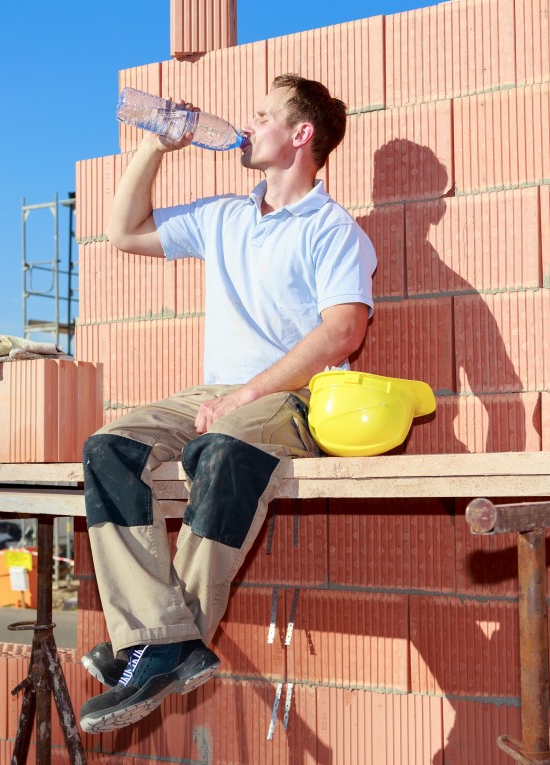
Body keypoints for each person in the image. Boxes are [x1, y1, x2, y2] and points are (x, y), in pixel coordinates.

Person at [78, 74, 377, 734]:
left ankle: (158, 642)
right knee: (108, 449)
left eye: (263, 115)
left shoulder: (333, 231)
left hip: (295, 399)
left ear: (300, 135)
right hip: (214, 395)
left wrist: (246, 395)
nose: (247, 125)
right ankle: (164, 636)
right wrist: (158, 145)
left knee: (222, 448)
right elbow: (124, 233)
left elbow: (343, 331)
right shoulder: (225, 216)